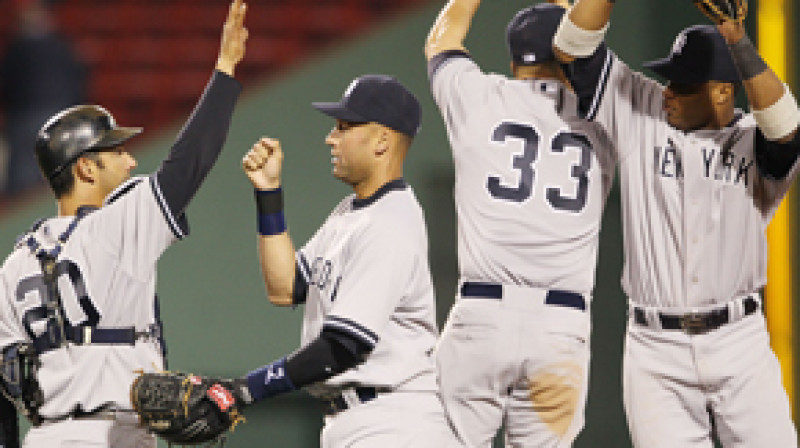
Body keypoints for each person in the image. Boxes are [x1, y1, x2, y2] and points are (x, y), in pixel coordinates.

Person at [0, 0, 248, 446]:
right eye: (115, 152)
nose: (131, 160)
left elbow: (5, 380)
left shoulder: (15, 262)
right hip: (112, 435)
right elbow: (188, 163)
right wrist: (226, 72)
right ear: (85, 168)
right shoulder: (113, 227)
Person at [553, 1, 799, 446]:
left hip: (738, 343)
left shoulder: (752, 142)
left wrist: (738, 41)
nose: (668, 91)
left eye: (684, 84)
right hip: (656, 349)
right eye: (669, 79)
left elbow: (786, 126)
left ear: (723, 92)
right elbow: (572, 45)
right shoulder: (641, 113)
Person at [225, 74, 457, 447]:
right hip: (362, 421)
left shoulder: (390, 222)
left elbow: (342, 347)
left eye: (344, 127)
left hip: (393, 422)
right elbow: (285, 287)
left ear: (382, 140)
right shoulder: (352, 212)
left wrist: (241, 391)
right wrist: (269, 195)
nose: (330, 138)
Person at [424, 1, 617, 446]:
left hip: (482, 317)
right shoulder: (606, 116)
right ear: (570, 56)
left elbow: (441, 41)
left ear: (514, 62)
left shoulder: (480, 96)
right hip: (561, 328)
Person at [0, 0, 87, 197]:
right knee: (30, 178)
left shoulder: (59, 46)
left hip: (44, 118)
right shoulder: (22, 48)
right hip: (28, 119)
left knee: (49, 175)